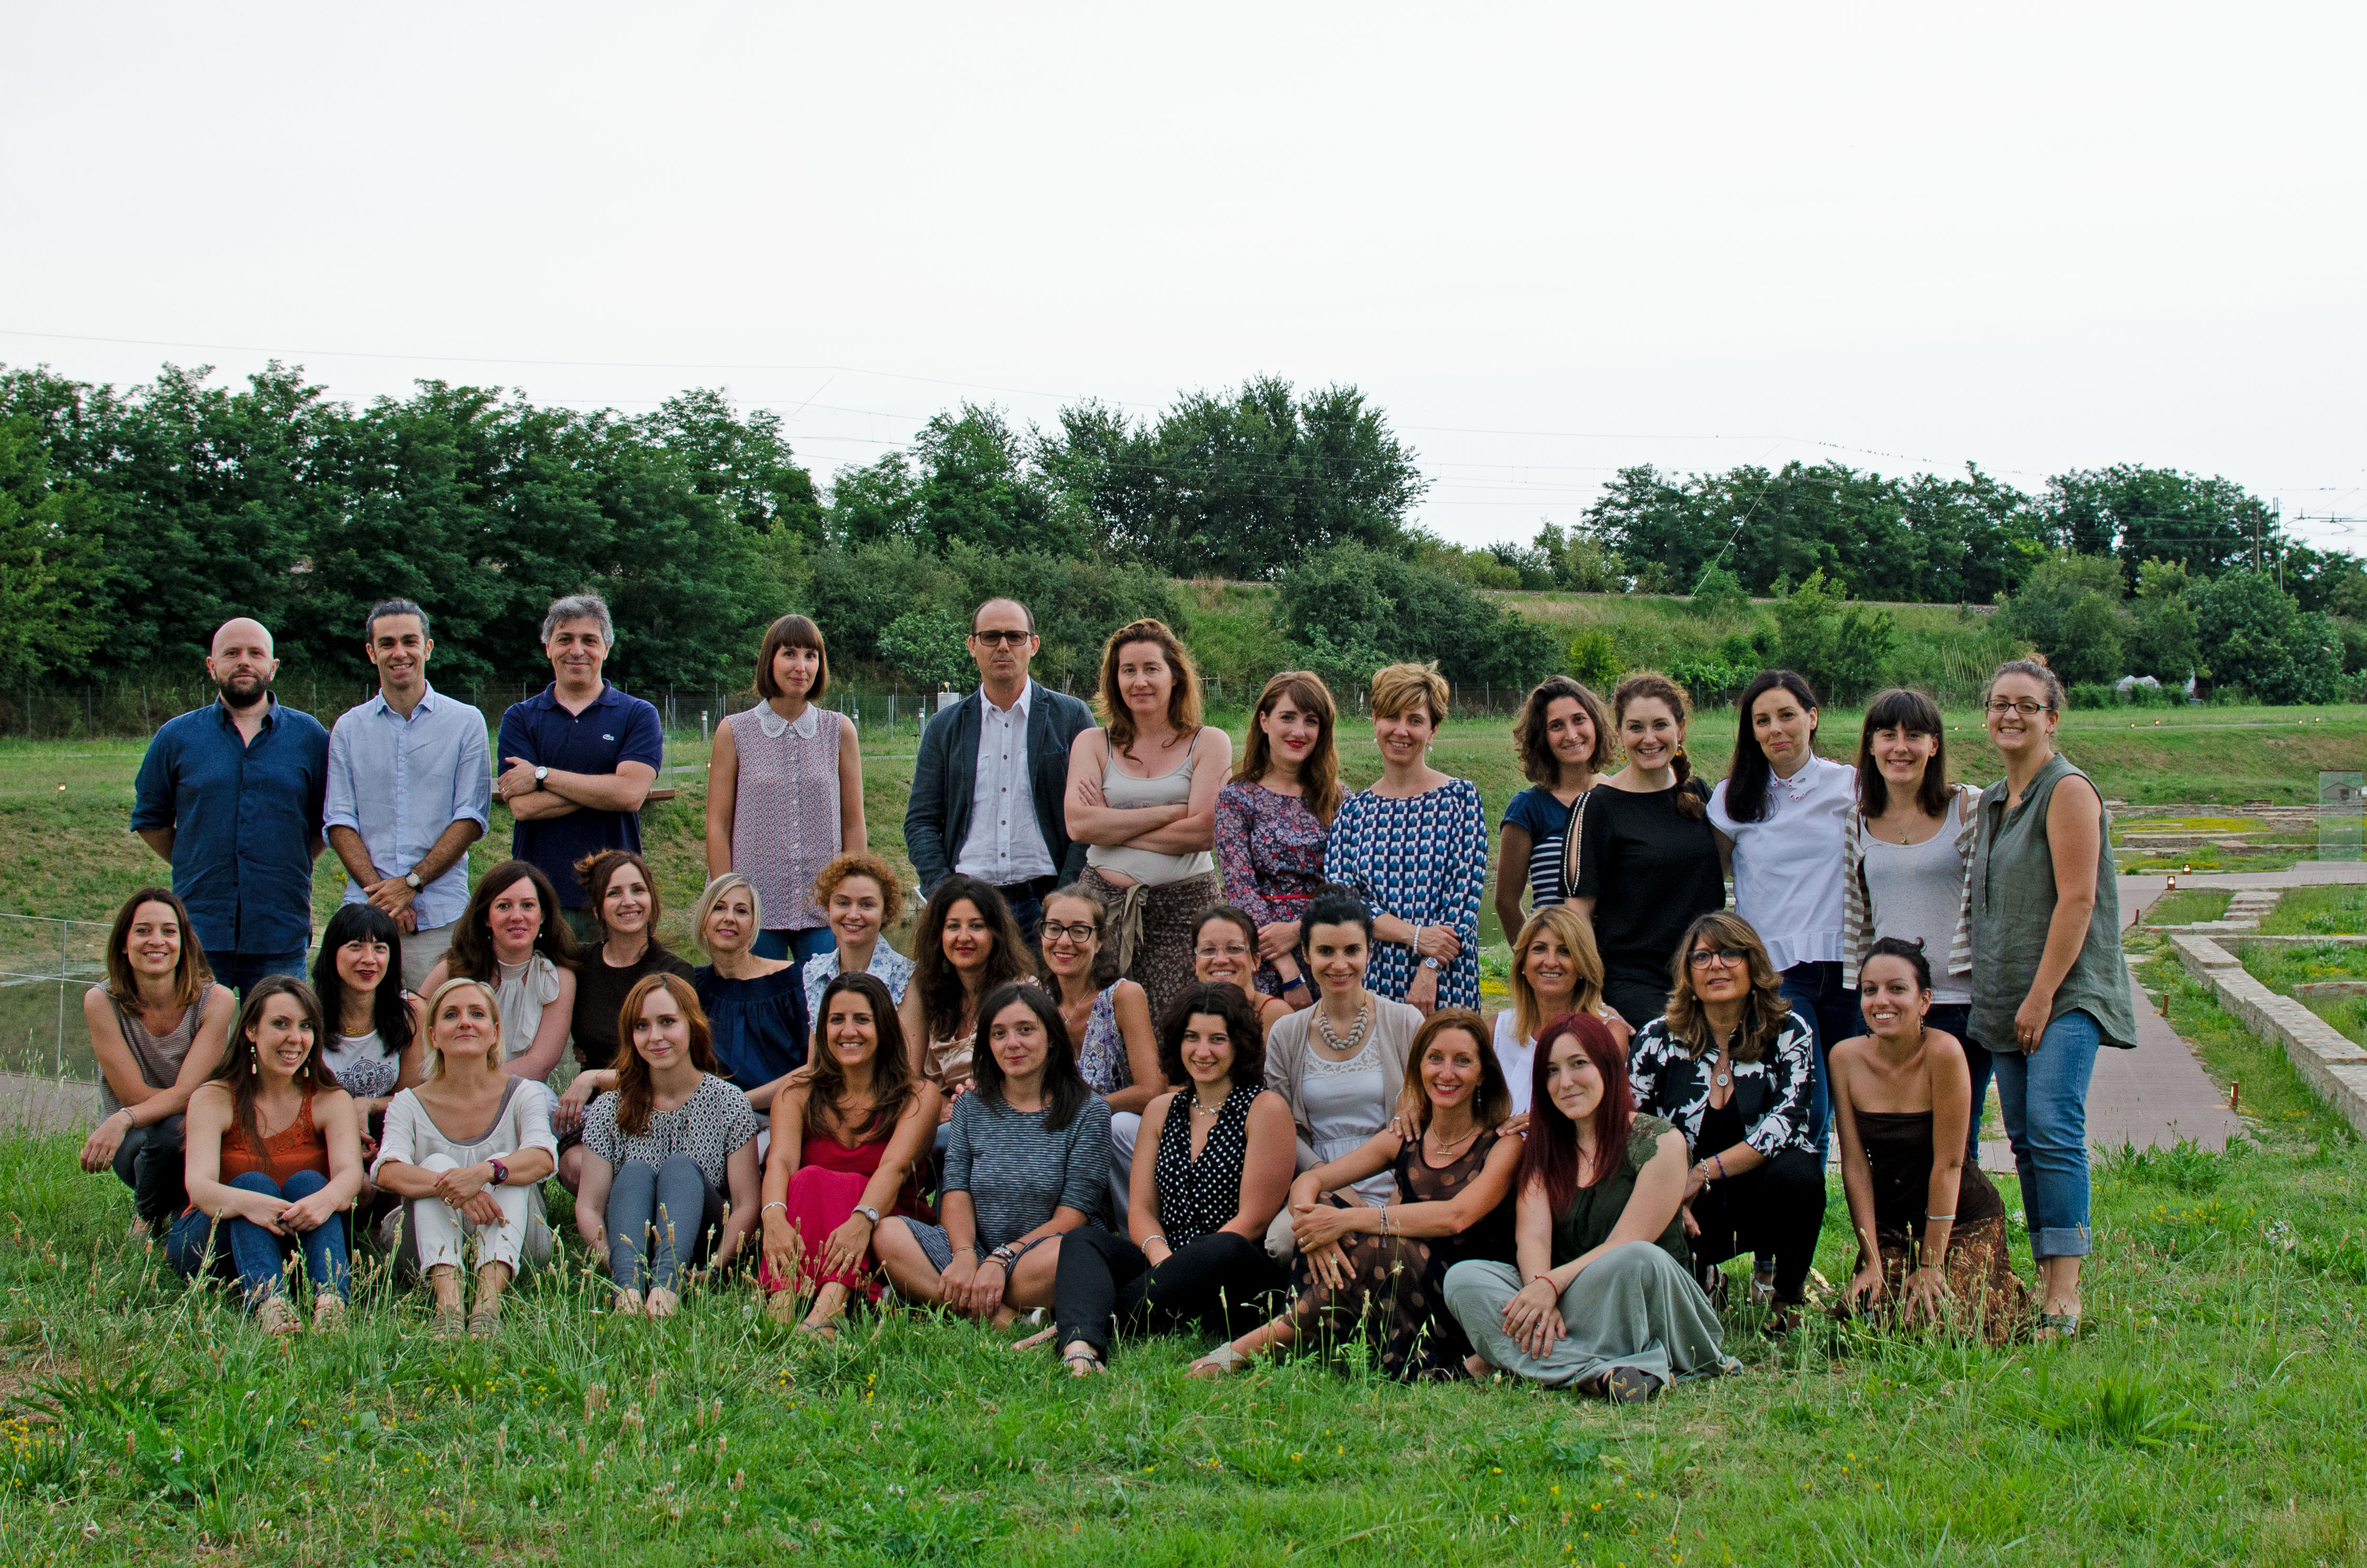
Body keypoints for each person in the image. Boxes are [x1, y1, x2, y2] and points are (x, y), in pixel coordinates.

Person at [1192, 1008, 1521, 1380]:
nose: (1446, 1073)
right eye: (1435, 1059)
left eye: (1462, 1061)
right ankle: (1314, 1339)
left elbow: (1456, 1216)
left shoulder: (1502, 1144)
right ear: (1418, 1067)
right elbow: (1310, 1182)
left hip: (1455, 1295)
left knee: (1375, 1245)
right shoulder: (1407, 1136)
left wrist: (1346, 1220)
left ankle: (1246, 1350)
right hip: (1394, 1286)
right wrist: (1314, 1229)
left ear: (1483, 1074)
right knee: (1326, 1207)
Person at [1968, 660, 2137, 1341]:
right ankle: (2043, 1272)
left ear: (2051, 718)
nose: (2010, 715)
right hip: (2007, 992)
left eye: (2026, 705)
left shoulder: (2066, 790)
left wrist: (2041, 996)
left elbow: (2078, 899)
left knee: (2051, 1124)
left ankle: (2064, 1290)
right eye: (1999, 703)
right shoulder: (1992, 800)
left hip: (2063, 992)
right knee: (2022, 1136)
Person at [1443, 1012, 1733, 1399]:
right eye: (1551, 1071)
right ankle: (1604, 1374)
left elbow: (1625, 1242)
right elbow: (1533, 1238)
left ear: (1607, 1067)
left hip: (1640, 1293)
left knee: (1636, 1258)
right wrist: (1539, 1292)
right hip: (1567, 1300)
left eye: (1578, 1064)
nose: (1565, 1082)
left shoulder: (1661, 1142)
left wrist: (1550, 1285)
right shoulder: (1544, 1149)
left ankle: (1509, 1359)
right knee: (1465, 1279)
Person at [1047, 985, 1293, 1375]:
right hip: (1164, 1259)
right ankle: (1080, 1346)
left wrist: (1181, 1269)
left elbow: (1254, 1220)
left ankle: (1085, 1323)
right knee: (1084, 1240)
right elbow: (1141, 1211)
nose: (1203, 1051)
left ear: (1239, 1044)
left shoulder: (1265, 1108)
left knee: (1225, 1247)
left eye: (1217, 1040)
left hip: (1233, 1272)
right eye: (1191, 1038)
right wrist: (1164, 1261)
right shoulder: (1161, 1110)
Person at [1628, 912, 1825, 1329]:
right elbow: (1634, 1126)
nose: (1716, 965)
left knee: (1800, 1172)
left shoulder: (1789, 1031)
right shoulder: (1655, 1039)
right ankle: (1705, 1278)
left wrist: (1702, 1171)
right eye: (1701, 957)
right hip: (1683, 1199)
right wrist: (1668, 1191)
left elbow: (1787, 1124)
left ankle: (1787, 1298)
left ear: (1753, 965)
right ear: (1688, 973)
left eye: (1730, 953)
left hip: (1761, 1195)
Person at [872, 984, 1111, 1325]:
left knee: (1070, 1256)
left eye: (1025, 1030)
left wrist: (1002, 1259)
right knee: (887, 1233)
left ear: (1051, 1038)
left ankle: (939, 1300)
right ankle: (1005, 1319)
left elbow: (1074, 1215)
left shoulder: (1089, 1111)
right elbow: (956, 1190)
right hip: (972, 1249)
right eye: (999, 1034)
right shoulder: (971, 1105)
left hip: (1037, 1254)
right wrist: (964, 1255)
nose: (1012, 1043)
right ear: (988, 1044)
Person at [1830, 939, 2026, 1344]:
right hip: (1893, 1225)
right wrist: (1871, 1260)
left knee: (1950, 1325)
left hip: (1962, 1218)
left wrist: (1931, 1264)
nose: (1881, 1001)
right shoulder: (1844, 1058)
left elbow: (1949, 1164)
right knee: (1875, 1324)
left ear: (1924, 1001)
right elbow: (1854, 1165)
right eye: (1870, 990)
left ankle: (2003, 1286)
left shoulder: (1944, 1053)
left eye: (1896, 989)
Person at [131, 617, 329, 995]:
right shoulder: (176, 737)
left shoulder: (310, 737)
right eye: (232, 653)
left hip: (280, 930)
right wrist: (194, 858)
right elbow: (150, 819)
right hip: (199, 931)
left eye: (256, 653)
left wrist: (289, 859)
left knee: (280, 1031)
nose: (244, 662)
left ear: (273, 666)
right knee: (195, 1034)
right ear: (212, 666)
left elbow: (326, 823)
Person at [1707, 670, 1858, 1152]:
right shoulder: (1731, 798)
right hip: (1778, 974)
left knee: (1854, 1110)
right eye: (1762, 720)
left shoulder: (1850, 786)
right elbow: (1708, 876)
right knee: (1807, 1106)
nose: (1776, 729)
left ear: (1812, 718)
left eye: (1787, 715)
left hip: (1850, 969)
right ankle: (1802, 1195)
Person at [165, 978, 362, 1335]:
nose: (295, 1038)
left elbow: (350, 1177)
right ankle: (270, 1305)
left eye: (306, 1026)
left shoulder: (331, 1100)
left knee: (312, 1182)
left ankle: (331, 1304)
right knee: (253, 1183)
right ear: (251, 1030)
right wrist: (251, 1204)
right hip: (213, 1243)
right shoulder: (214, 1097)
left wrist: (323, 1201)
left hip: (299, 1240)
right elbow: (199, 1187)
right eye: (280, 1024)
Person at [372, 978, 559, 1338]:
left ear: (495, 1033)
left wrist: (486, 1172)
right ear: (433, 1036)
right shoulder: (408, 1103)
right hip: (423, 1246)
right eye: (451, 1015)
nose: (465, 1023)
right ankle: (449, 1308)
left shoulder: (523, 1094)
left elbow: (542, 1158)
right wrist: (456, 1185)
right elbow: (388, 1171)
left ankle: (487, 1307)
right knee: (436, 1166)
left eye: (477, 1014)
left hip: (519, 1242)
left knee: (505, 1164)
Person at [756, 974, 942, 1336]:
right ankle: (783, 1303)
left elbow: (894, 1168)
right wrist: (773, 1217)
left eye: (862, 1019)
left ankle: (830, 1309)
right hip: (813, 1228)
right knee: (808, 1178)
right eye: (837, 1020)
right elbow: (780, 1161)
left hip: (884, 1223)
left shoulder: (918, 1095)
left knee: (851, 1182)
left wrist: (862, 1220)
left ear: (884, 1027)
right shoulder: (796, 1092)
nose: (848, 1031)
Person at [1066, 617, 1230, 1025]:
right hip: (1100, 910)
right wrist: (1171, 812)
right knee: (1097, 1029)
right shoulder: (1092, 742)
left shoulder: (1209, 742)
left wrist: (1112, 825)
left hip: (1184, 911)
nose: (1139, 681)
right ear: (1114, 680)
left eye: (1151, 669)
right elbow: (1079, 826)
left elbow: (1203, 832)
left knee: (1178, 1027)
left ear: (1175, 676)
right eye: (1128, 670)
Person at [322, 599, 492, 991]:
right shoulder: (348, 728)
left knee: (436, 1023)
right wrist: (385, 898)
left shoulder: (466, 723)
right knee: (357, 1025)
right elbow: (339, 821)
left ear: (427, 648)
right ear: (372, 653)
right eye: (387, 643)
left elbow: (471, 818)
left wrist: (411, 884)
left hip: (439, 920)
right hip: (364, 919)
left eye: (410, 641)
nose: (399, 652)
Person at [904, 597, 1096, 942]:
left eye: (1015, 636)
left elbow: (1091, 818)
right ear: (972, 646)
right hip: (968, 906)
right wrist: (943, 894)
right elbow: (921, 821)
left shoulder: (1071, 717)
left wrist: (1067, 895)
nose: (1003, 646)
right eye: (991, 637)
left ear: (1033, 645)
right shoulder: (944, 726)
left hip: (1047, 904)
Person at [575, 974, 765, 1318]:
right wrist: (613, 1259)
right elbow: (589, 1207)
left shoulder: (728, 1102)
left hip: (702, 1245)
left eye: (667, 1022)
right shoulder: (609, 1107)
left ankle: (667, 1290)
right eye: (642, 1026)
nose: (655, 1037)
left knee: (679, 1167)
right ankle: (629, 1290)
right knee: (634, 1171)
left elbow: (746, 1204)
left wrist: (716, 1267)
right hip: (631, 1239)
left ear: (692, 1025)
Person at [1844, 687, 1980, 1156]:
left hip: (1958, 1002)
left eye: (1914, 735)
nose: (1899, 747)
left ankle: (1958, 1211)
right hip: (1889, 1004)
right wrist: (1863, 993)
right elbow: (1858, 917)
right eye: (1887, 735)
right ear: (1871, 745)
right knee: (1894, 1141)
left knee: (1957, 1143)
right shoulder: (1857, 821)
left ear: (1934, 745)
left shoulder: (1967, 808)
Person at [1261, 891, 1425, 1256]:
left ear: (1369, 951)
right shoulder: (1287, 1034)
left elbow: (1425, 1116)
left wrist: (1395, 1200)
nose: (1339, 965)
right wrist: (1326, 1184)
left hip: (1396, 1174)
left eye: (1352, 950)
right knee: (1282, 1243)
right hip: (1318, 1179)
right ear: (1306, 954)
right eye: (1325, 951)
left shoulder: (1404, 1022)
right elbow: (1283, 1129)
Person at [494, 592, 664, 945]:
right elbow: (524, 807)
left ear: (606, 649)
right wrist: (609, 789)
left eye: (589, 640)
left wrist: (542, 775)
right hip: (540, 898)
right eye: (565, 639)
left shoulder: (637, 715)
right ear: (548, 648)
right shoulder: (520, 718)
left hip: (616, 896)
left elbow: (630, 796)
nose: (577, 650)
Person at [1323, 663, 1487, 1014]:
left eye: (1415, 720)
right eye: (1391, 717)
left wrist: (1429, 969)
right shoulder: (1352, 812)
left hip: (1446, 980)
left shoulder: (1461, 798)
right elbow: (1345, 903)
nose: (1401, 730)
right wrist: (1415, 936)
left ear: (1433, 730)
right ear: (1375, 722)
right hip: (1371, 981)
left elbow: (1464, 897)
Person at [1567, 672, 1725, 1030]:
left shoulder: (1700, 794)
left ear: (1680, 729)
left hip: (1708, 975)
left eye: (1660, 725)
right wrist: (1595, 999)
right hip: (1634, 985)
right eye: (1636, 727)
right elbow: (1578, 914)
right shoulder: (1598, 807)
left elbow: (1725, 869)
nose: (1649, 738)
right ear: (1619, 733)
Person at [706, 614, 866, 965]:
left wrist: (853, 894)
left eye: (811, 656)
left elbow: (853, 823)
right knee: (756, 997)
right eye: (789, 654)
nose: (801, 667)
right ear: (770, 660)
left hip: (824, 905)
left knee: (830, 996)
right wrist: (726, 898)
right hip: (753, 906)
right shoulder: (734, 732)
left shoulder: (839, 731)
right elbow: (717, 824)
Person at [78, 888, 235, 1239]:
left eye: (169, 931)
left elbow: (189, 1093)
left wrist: (121, 1118)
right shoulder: (101, 1001)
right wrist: (133, 1117)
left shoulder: (217, 1001)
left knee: (189, 1224)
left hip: (196, 1134)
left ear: (183, 943)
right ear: (124, 943)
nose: (157, 941)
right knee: (170, 1129)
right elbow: (133, 1095)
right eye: (143, 931)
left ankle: (171, 1211)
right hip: (137, 1141)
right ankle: (147, 1217)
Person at [554, 849, 696, 1184]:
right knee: (576, 1167)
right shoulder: (581, 964)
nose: (628, 901)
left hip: (659, 1103)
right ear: (598, 908)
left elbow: (675, 1067)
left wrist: (593, 1077)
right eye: (614, 893)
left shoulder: (675, 972)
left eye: (638, 890)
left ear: (652, 900)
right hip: (599, 1111)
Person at [1214, 671, 1340, 1006]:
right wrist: (1288, 972)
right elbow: (1241, 890)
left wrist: (1301, 929)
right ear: (1264, 721)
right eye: (1288, 717)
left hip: (1329, 946)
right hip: (1263, 953)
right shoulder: (1237, 799)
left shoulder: (1339, 799)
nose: (1299, 731)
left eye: (1311, 721)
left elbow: (1347, 884)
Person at [1035, 885, 1161, 1216]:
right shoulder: (1037, 1001)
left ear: (1100, 940)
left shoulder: (1123, 996)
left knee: (1116, 1125)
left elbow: (1151, 1090)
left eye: (1079, 931)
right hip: (1056, 1132)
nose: (1064, 942)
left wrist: (1081, 1110)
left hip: (1120, 1134)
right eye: (1054, 928)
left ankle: (1139, 1230)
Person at [421, 860, 580, 1080]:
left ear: (542, 916)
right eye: (504, 906)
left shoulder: (556, 979)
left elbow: (539, 1064)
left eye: (528, 906)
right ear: (487, 917)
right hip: (451, 1086)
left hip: (519, 1090)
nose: (517, 916)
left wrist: (476, 1084)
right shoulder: (453, 970)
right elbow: (415, 1036)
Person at [896, 875, 1035, 1118]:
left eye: (976, 926)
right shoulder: (933, 996)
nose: (963, 937)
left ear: (995, 934)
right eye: (953, 926)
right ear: (939, 935)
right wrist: (942, 1106)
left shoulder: (1021, 993)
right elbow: (919, 1080)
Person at [309, 902, 428, 1170]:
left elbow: (411, 1096)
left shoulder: (410, 1013)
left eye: (380, 948)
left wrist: (368, 1104)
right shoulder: (309, 1015)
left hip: (387, 1135)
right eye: (356, 947)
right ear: (332, 952)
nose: (369, 959)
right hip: (321, 1135)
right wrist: (345, 1117)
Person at [1493, 676, 1613, 940]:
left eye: (1579, 720)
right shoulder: (1527, 808)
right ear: (1542, 737)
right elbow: (1506, 903)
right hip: (1558, 959)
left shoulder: (1622, 797)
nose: (1571, 735)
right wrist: (1532, 956)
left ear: (1595, 723)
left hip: (1623, 959)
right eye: (1556, 726)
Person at [1495, 904, 1630, 1117]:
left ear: (1582, 966)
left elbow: (1602, 1115)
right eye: (1539, 949)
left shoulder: (1610, 1033)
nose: (1551, 962)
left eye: (1565, 951)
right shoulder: (1495, 1030)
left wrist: (1533, 1125)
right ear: (1523, 963)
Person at [690, 874, 810, 1110]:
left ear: (755, 923)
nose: (729, 918)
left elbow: (814, 1067)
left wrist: (740, 1104)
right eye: (719, 908)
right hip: (713, 1117)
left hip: (784, 1113)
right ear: (704, 918)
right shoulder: (693, 986)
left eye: (741, 911)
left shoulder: (794, 982)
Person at [798, 852, 916, 1020]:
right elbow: (816, 1037)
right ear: (828, 907)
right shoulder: (815, 972)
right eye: (843, 903)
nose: (853, 915)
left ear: (885, 911)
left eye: (866, 905)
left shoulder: (906, 977)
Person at [1191, 905, 1295, 1036]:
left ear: (1256, 961)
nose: (1221, 960)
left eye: (1234, 949)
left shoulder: (1276, 1017)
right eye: (1208, 950)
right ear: (1195, 963)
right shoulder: (1187, 1012)